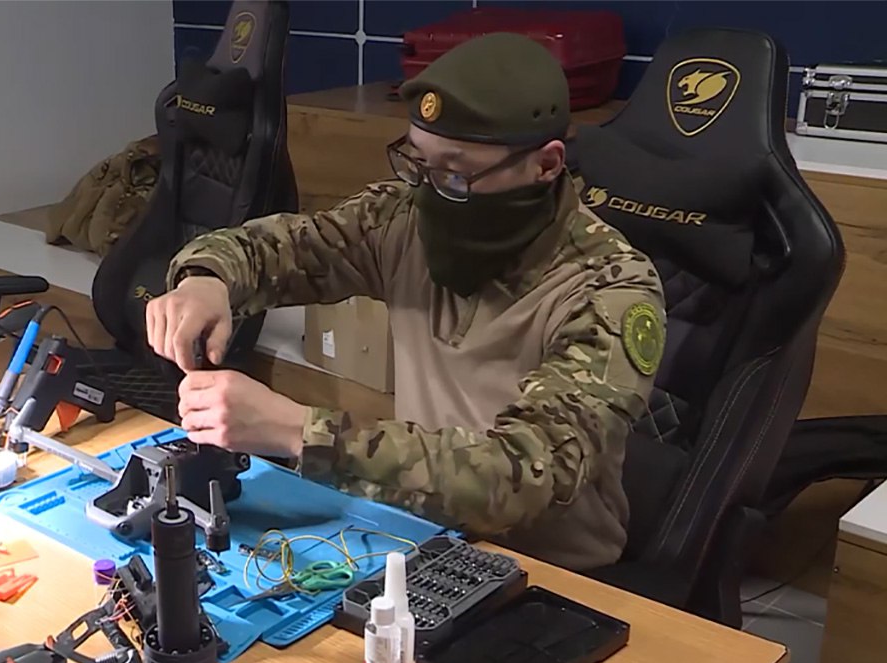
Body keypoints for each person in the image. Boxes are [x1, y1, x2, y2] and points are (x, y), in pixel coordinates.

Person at [144, 33, 666, 571]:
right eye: (419, 163)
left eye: (455, 173)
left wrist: (299, 431)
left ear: (546, 164)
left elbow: (523, 476)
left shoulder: (609, 289)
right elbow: (283, 248)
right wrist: (206, 279)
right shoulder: (403, 218)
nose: (430, 192)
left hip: (553, 574)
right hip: (420, 535)